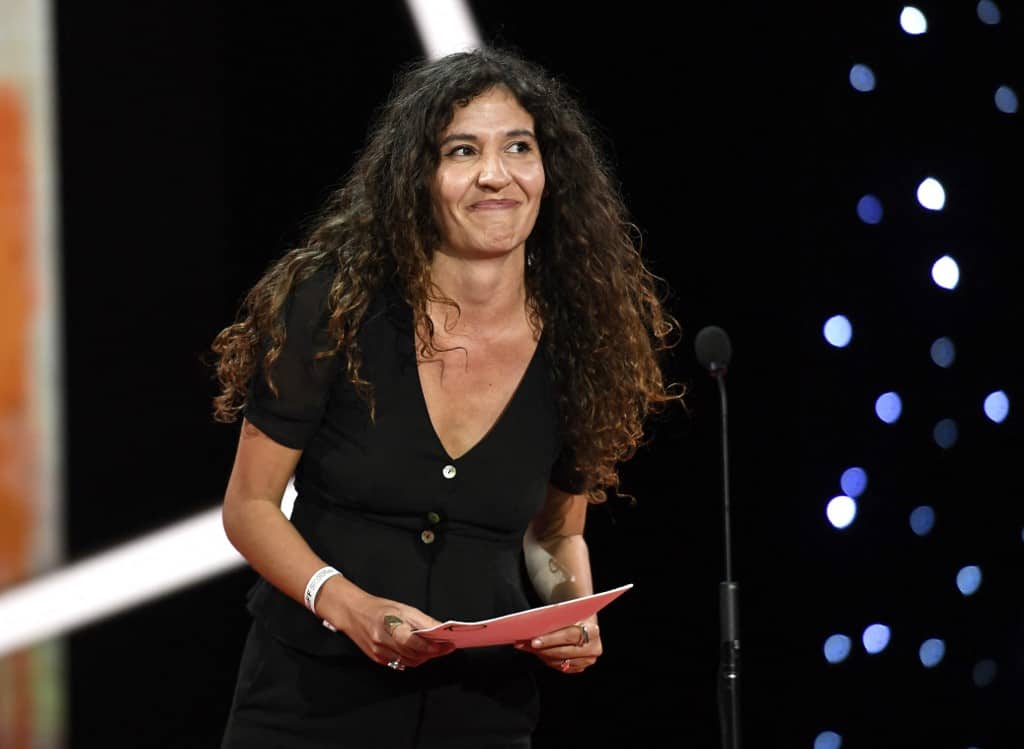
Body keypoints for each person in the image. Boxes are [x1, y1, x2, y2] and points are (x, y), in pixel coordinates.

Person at [210, 45, 682, 748]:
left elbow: (556, 532)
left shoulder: (584, 341)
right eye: (462, 151)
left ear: (548, 172)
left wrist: (573, 609)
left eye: (518, 147)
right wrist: (347, 605)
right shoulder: (333, 309)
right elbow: (249, 506)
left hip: (481, 714)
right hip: (308, 707)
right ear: (419, 179)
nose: (496, 174)